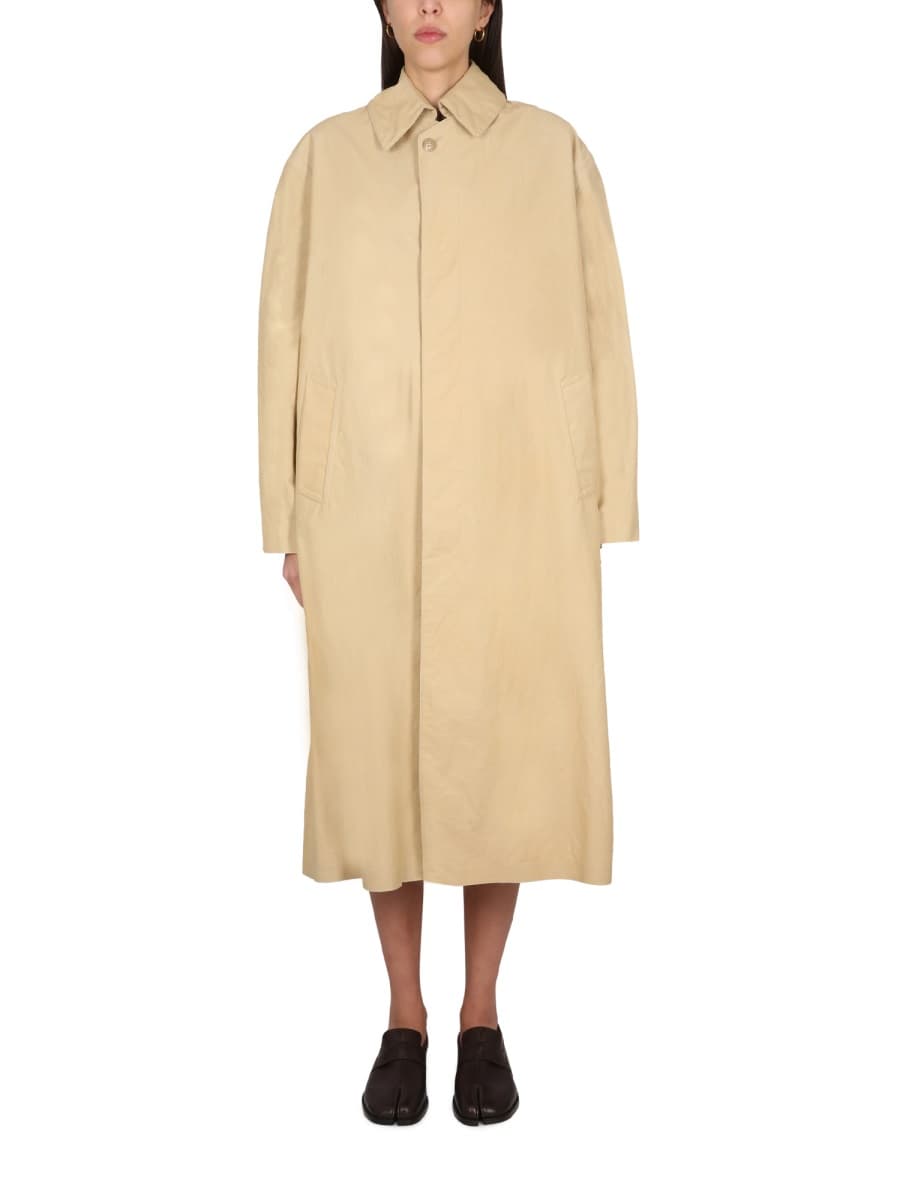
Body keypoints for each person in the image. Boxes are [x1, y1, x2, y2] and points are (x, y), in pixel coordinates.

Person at [257, 0, 639, 1126]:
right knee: (377, 754)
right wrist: (288, 516)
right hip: (361, 509)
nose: (428, 6)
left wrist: (602, 507)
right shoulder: (323, 160)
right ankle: (401, 1013)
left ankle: (480, 1014)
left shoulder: (553, 153)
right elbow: (280, 340)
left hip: (520, 503)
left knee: (498, 760)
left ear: (488, 9)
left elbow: (602, 334)